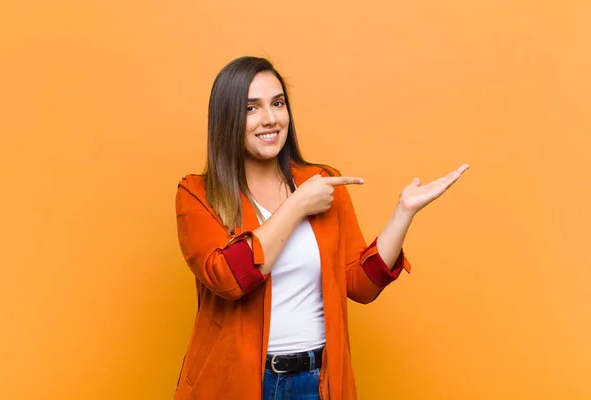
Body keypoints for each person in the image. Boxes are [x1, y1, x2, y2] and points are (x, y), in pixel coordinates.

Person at [174, 56, 469, 400]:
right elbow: (227, 278)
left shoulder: (321, 183)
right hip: (235, 384)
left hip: (316, 383)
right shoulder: (198, 193)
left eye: (278, 103)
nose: (270, 118)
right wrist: (297, 205)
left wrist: (403, 212)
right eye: (251, 108)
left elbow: (359, 284)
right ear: (227, 119)